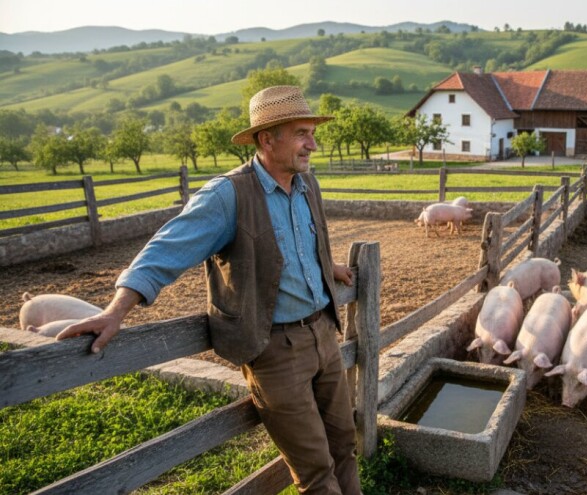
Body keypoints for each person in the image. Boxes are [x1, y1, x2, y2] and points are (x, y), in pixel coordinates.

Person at [57, 85, 363, 495]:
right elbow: (164, 250)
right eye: (302, 133)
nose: (313, 144)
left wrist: (330, 268)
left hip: (324, 335)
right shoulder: (227, 195)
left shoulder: (306, 184)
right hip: (275, 351)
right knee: (316, 470)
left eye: (312, 132)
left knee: (344, 445)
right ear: (266, 139)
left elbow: (300, 247)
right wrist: (115, 311)